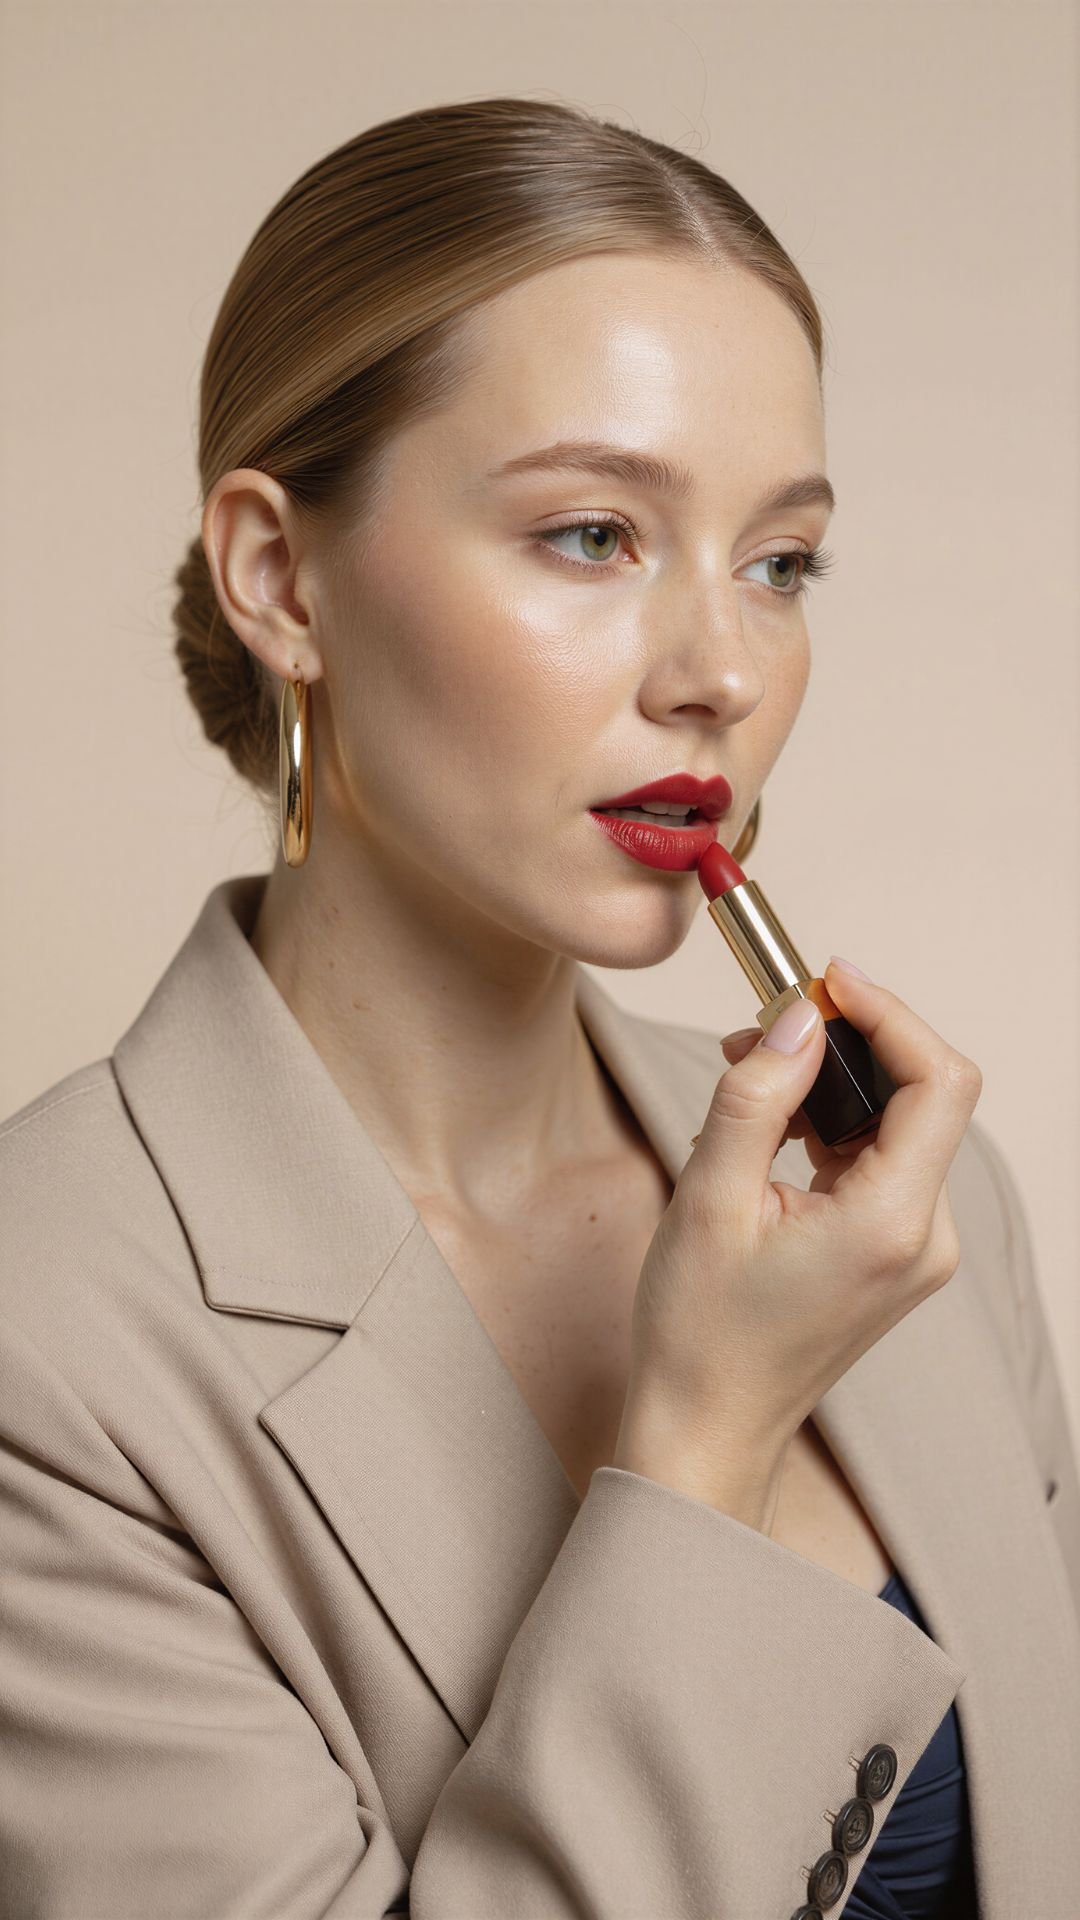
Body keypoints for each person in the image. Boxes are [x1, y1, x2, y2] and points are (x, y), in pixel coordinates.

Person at [1, 96, 1077, 1920]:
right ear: (282, 578)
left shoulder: (909, 1209)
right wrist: (705, 1435)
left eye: (782, 561)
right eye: (592, 534)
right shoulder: (48, 1350)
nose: (723, 672)